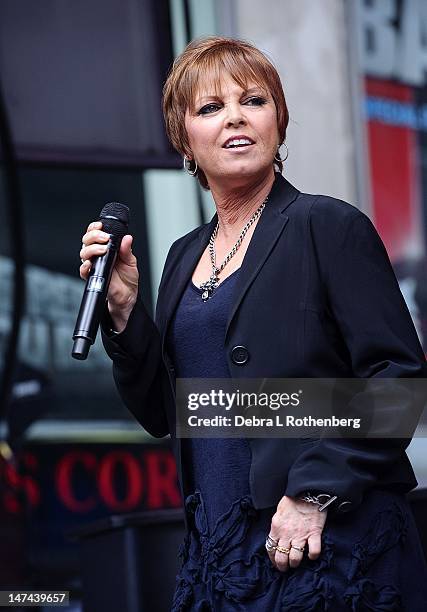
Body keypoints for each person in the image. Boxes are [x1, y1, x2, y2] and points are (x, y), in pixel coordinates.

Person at [79, 36, 427, 610]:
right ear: (183, 139)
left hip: (327, 545)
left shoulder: (327, 225)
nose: (236, 118)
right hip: (220, 556)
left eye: (254, 101)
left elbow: (399, 381)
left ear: (278, 121)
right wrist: (123, 312)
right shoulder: (183, 256)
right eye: (210, 108)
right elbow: (168, 414)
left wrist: (314, 491)